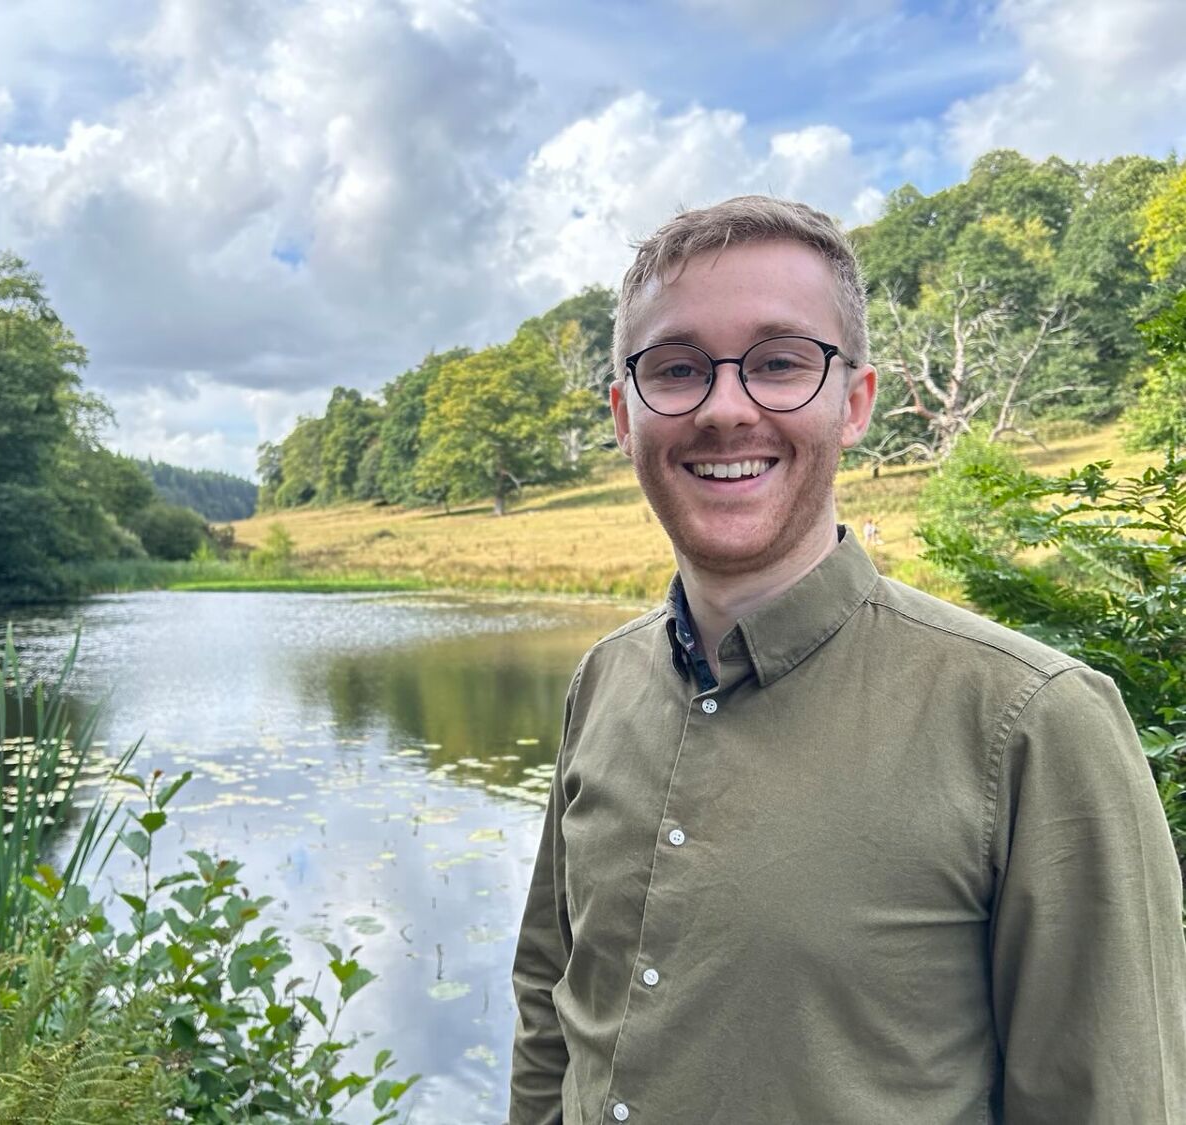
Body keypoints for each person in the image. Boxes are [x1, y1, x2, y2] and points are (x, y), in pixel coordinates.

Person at [508, 196, 1186, 1124]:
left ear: (855, 401)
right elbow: (552, 1002)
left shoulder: (1032, 723)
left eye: (781, 363)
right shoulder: (603, 681)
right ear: (627, 416)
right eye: (677, 369)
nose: (724, 407)